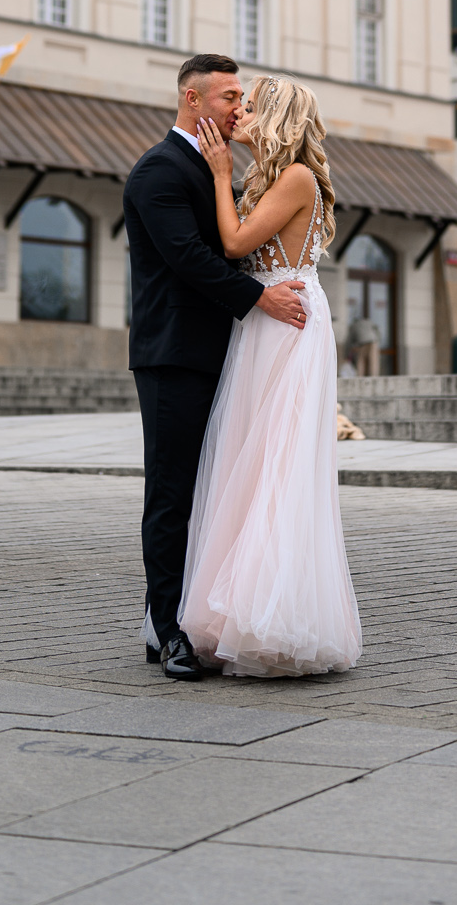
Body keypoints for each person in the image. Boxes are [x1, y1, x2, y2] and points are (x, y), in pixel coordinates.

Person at [123, 53, 309, 681]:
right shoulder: (159, 169)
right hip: (174, 355)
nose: (239, 107)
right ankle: (168, 633)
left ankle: (177, 617)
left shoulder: (216, 165)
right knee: (172, 493)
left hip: (225, 353)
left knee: (210, 491)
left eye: (242, 98)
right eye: (230, 97)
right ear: (193, 99)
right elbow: (189, 256)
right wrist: (260, 298)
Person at [181, 74, 363, 678]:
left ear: (279, 119)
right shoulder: (272, 176)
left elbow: (235, 245)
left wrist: (219, 174)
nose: (241, 115)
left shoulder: (297, 178)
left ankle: (273, 617)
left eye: (253, 107)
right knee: (251, 461)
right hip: (263, 321)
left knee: (279, 464)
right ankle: (238, 610)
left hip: (288, 326)